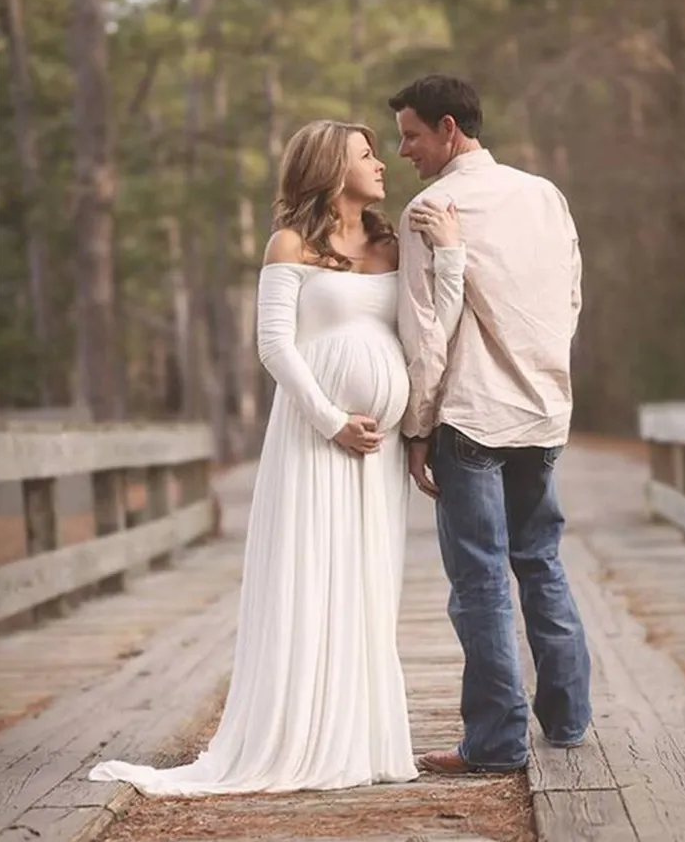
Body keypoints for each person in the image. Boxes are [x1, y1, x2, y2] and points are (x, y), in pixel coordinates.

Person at [89, 119, 466, 795]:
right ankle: (299, 733)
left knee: (368, 582)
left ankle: (362, 735)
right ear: (329, 168)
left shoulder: (392, 241)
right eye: (365, 154)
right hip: (314, 437)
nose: (382, 163)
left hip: (378, 450)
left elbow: (430, 321)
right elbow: (274, 346)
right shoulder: (289, 244)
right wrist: (329, 421)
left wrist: (451, 257)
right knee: (311, 573)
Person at [392, 74, 592, 775]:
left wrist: (416, 429)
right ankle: (567, 721)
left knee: (479, 579)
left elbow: (426, 332)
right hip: (543, 411)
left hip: (472, 416)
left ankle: (497, 743)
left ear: (449, 128)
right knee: (540, 562)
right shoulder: (544, 194)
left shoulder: (429, 209)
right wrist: (547, 376)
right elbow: (569, 296)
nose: (405, 151)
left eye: (412, 135)